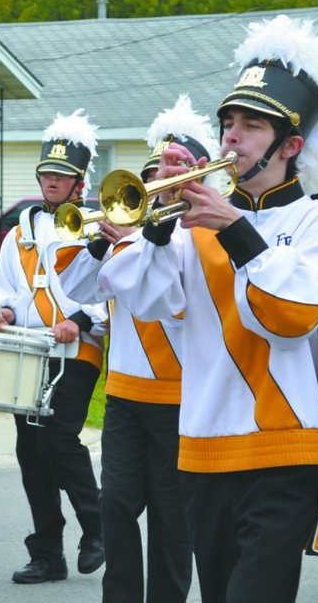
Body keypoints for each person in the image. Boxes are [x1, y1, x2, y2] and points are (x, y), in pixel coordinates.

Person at [96, 14, 318, 601]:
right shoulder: (190, 224)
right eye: (227, 123)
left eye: (250, 125)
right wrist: (160, 223)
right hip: (200, 448)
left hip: (283, 450)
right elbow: (142, 297)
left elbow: (289, 318)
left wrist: (236, 230)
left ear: (290, 145)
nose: (230, 137)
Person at [86, 94, 214, 603]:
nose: (163, 179)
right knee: (115, 503)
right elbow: (84, 287)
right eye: (160, 168)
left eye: (176, 167)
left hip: (178, 399)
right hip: (124, 393)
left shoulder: (191, 238)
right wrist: (105, 241)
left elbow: (172, 301)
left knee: (170, 513)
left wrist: (147, 241)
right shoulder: (130, 236)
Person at [0, 109, 107, 584]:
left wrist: (78, 320)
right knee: (30, 451)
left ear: (79, 183)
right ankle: (47, 553)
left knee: (57, 438)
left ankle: (97, 525)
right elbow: (5, 291)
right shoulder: (19, 233)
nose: (52, 180)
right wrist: (5, 312)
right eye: (47, 173)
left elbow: (108, 293)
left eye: (62, 175)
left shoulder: (97, 227)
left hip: (78, 352)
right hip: (28, 352)